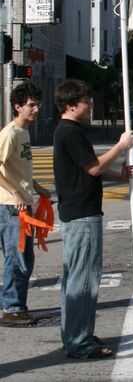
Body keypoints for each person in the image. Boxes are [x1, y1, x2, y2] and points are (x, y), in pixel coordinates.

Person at [53, 79, 133, 359]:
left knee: (75, 278)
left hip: (77, 212)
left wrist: (117, 176)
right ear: (70, 105)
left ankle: (76, 334)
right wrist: (121, 146)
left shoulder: (68, 131)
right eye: (85, 101)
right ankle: (79, 341)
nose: (90, 105)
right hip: (82, 215)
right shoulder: (69, 132)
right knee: (84, 280)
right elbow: (93, 168)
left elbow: (87, 168)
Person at [0, 82, 51, 327]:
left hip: (21, 204)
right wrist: (16, 194)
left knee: (24, 258)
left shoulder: (24, 133)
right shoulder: (9, 134)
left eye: (37, 104)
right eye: (31, 105)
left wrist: (36, 187)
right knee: (17, 258)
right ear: (18, 106)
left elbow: (18, 171)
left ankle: (15, 305)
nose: (36, 109)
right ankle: (11, 308)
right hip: (11, 207)